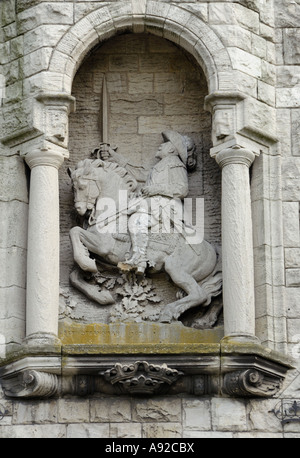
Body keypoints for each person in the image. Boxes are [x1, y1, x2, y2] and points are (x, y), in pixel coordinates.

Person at [98, 131, 193, 274]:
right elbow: (140, 174)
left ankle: (139, 258)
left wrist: (156, 189)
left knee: (135, 216)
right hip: (154, 204)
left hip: (167, 206)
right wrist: (114, 157)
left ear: (172, 149)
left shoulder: (175, 164)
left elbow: (182, 189)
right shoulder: (162, 164)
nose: (161, 146)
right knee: (130, 214)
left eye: (165, 143)